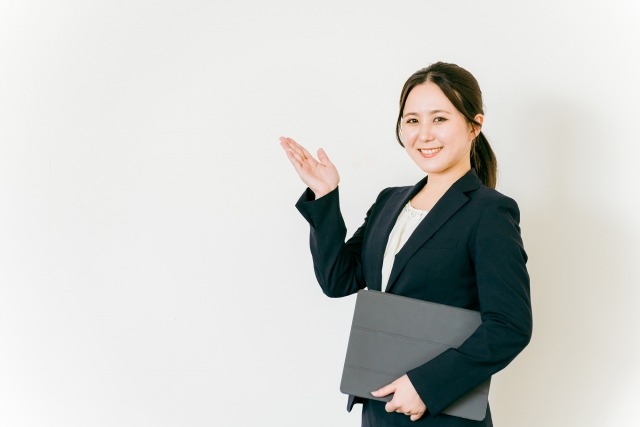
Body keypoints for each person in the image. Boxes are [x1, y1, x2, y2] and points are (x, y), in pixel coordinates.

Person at [279, 62, 532, 426]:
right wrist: (325, 195)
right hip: (378, 409)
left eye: (439, 119)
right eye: (412, 120)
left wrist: (426, 386)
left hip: (441, 414)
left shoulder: (489, 212)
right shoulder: (390, 201)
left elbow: (509, 326)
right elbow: (338, 280)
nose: (424, 134)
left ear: (474, 126)